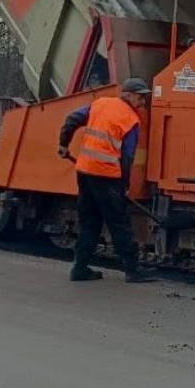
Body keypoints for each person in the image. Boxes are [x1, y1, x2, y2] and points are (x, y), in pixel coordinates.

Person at [58, 78, 158, 283]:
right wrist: (125, 185)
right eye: (140, 96)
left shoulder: (100, 104)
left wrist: (63, 144)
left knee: (89, 221)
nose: (143, 101)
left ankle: (79, 268)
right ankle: (132, 270)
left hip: (85, 171)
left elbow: (72, 119)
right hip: (107, 176)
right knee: (119, 222)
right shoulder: (130, 120)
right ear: (127, 94)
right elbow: (127, 157)